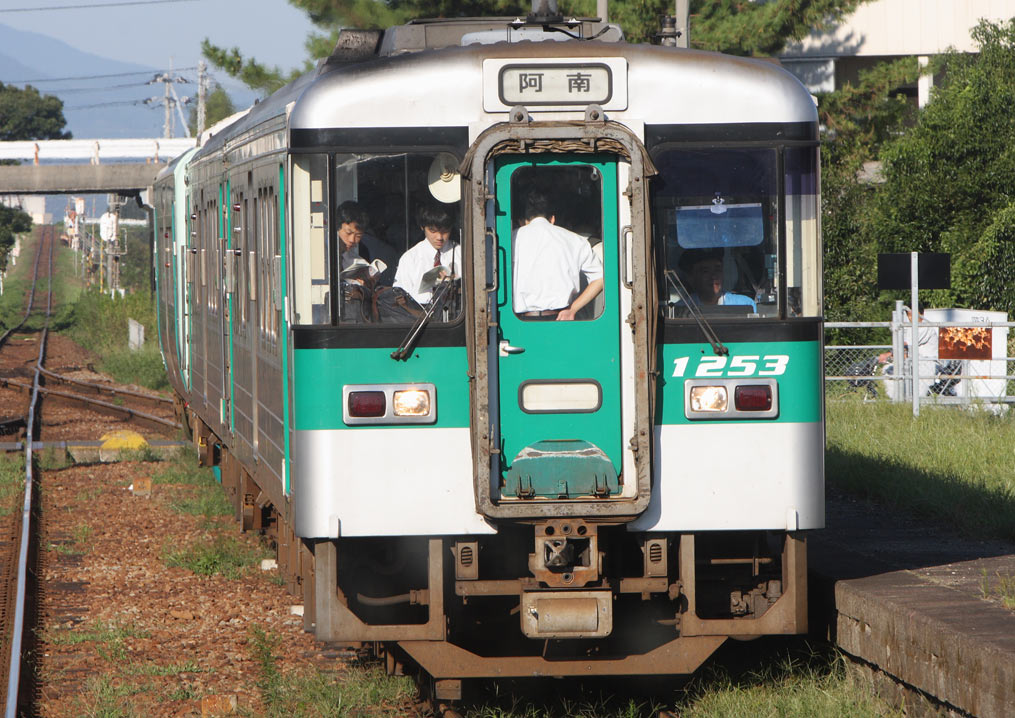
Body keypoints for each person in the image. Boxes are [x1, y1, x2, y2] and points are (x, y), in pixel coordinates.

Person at [512, 191, 603, 321]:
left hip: (519, 322)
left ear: (523, 221)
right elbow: (600, 278)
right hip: (560, 320)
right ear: (552, 219)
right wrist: (572, 309)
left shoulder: (512, 240)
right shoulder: (575, 240)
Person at [392, 202, 461, 306]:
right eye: (433, 231)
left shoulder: (460, 253)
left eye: (445, 231)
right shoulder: (410, 258)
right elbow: (399, 298)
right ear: (422, 227)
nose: (439, 237)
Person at [678, 247, 756, 311]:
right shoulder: (681, 310)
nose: (713, 276)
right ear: (691, 277)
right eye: (706, 271)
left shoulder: (745, 304)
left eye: (717, 269)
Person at [337, 200, 371, 271]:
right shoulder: (321, 252)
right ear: (337, 228)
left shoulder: (354, 259)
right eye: (348, 233)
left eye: (358, 236)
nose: (352, 240)